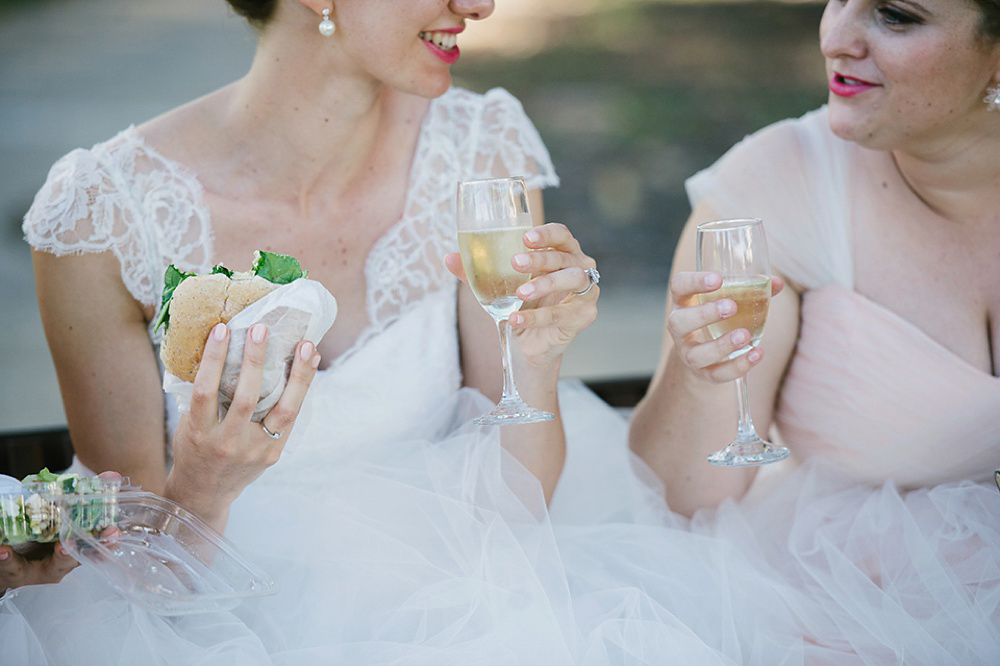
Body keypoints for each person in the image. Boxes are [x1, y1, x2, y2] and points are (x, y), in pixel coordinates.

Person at [0, 1, 814, 664]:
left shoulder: (480, 145)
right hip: (226, 619)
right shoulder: (99, 214)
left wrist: (533, 360)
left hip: (483, 594)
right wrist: (206, 487)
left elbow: (520, 507)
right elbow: (135, 576)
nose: (481, 5)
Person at [630, 0, 1000, 661]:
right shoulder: (778, 181)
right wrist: (703, 378)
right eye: (838, 0)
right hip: (837, 608)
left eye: (894, 15)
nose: (836, 38)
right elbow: (684, 499)